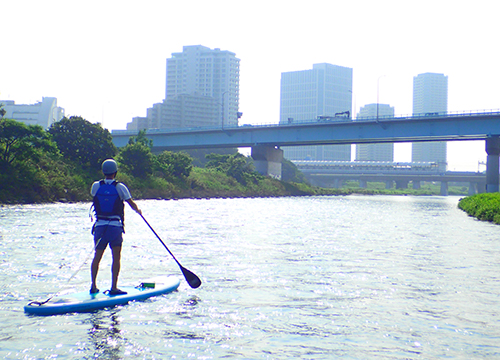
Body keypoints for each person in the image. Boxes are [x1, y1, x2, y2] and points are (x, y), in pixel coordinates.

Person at [90, 159, 142, 295]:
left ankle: (93, 286)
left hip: (100, 226)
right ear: (116, 172)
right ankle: (114, 287)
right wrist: (138, 211)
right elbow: (130, 203)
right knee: (116, 257)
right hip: (115, 227)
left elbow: (95, 198)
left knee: (97, 256)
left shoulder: (95, 186)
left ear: (103, 172)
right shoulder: (120, 187)